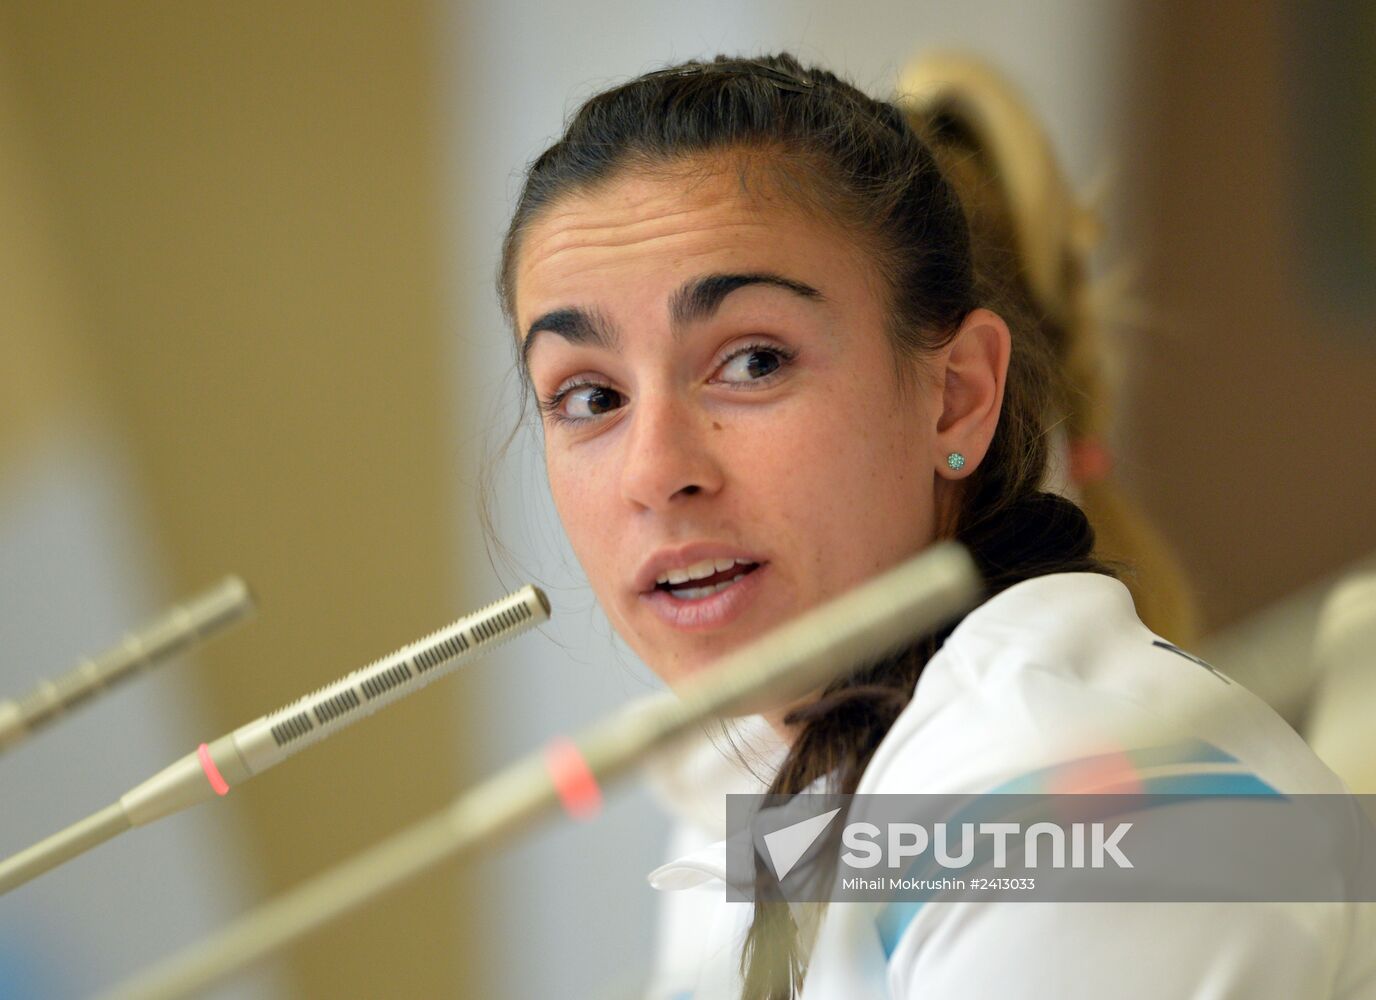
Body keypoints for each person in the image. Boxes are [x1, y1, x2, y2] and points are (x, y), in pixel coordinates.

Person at [490, 51, 1376, 999]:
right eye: (589, 395)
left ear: (956, 397)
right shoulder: (765, 783)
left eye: (751, 363)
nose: (656, 471)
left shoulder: (1077, 805)